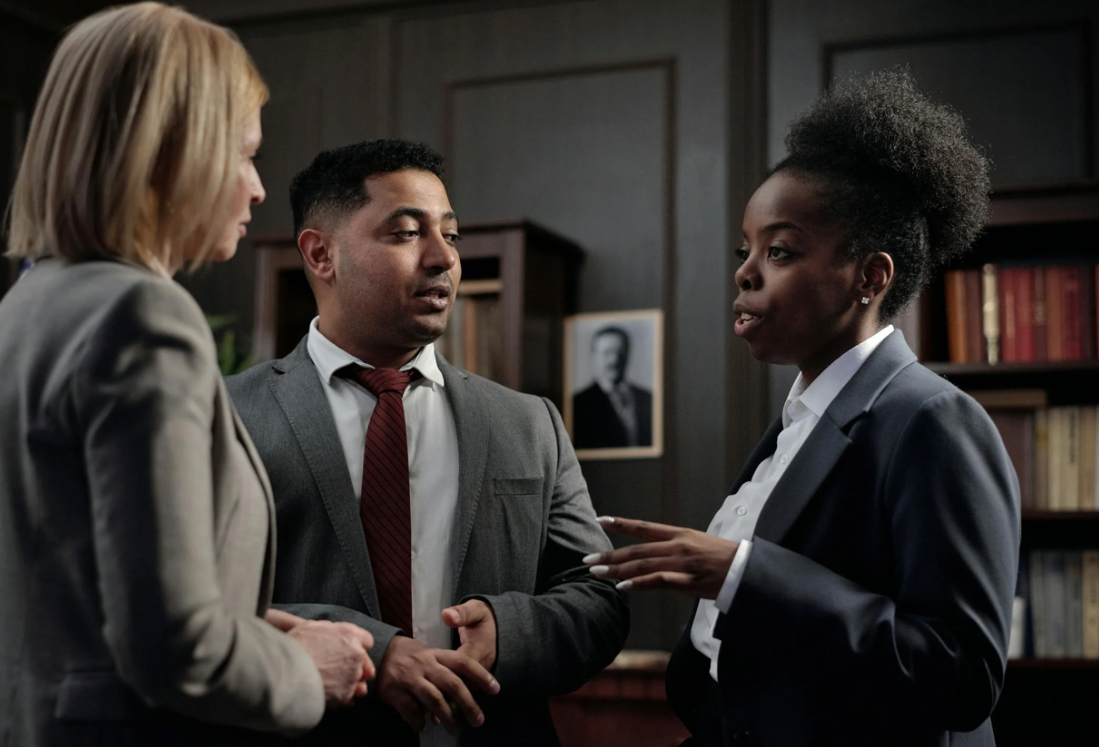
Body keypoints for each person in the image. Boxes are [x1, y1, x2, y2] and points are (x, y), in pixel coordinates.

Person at [583, 70, 1020, 746]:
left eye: (779, 250)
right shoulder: (797, 420)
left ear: (869, 276)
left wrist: (740, 573)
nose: (744, 272)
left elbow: (960, 671)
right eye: (745, 249)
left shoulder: (933, 421)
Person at [0, 5, 376, 746]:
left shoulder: (25, 306)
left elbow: (68, 580)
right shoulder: (142, 315)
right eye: (244, 154)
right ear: (171, 154)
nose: (258, 188)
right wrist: (304, 666)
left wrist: (241, 617)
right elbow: (173, 648)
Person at [226, 139, 630, 746]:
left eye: (452, 234)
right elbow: (193, 604)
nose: (443, 258)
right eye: (406, 233)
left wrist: (507, 628)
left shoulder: (528, 423)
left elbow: (599, 598)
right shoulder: (227, 414)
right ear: (321, 254)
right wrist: (378, 652)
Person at [572, 325, 654, 449]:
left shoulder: (648, 399)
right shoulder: (578, 405)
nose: (614, 359)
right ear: (594, 356)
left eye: (619, 352)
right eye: (607, 353)